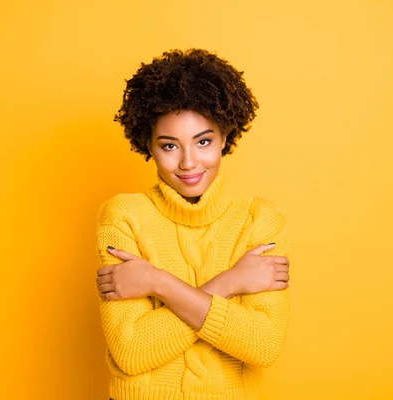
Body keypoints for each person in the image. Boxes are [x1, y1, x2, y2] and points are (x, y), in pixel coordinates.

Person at [95, 48, 290, 400]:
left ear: (225, 138)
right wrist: (232, 282)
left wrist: (157, 282)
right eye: (169, 145)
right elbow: (132, 351)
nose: (188, 162)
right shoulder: (123, 216)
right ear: (148, 146)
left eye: (203, 141)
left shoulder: (261, 219)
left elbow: (263, 346)